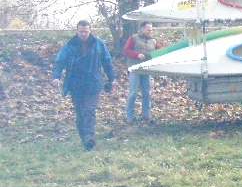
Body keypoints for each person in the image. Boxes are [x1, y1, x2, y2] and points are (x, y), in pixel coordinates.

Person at [51, 20, 115, 150]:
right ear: (77, 31)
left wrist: (112, 77)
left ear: (90, 30)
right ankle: (84, 137)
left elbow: (107, 61)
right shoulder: (70, 45)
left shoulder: (99, 44)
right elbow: (60, 61)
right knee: (80, 112)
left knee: (89, 110)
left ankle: (89, 138)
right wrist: (56, 76)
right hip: (76, 83)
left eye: (86, 31)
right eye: (81, 31)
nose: (83, 34)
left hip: (93, 82)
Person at [123, 21, 160, 124]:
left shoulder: (153, 41)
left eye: (151, 30)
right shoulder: (133, 38)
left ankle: (146, 115)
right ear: (142, 29)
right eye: (148, 30)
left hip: (147, 69)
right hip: (135, 69)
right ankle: (130, 117)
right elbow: (126, 50)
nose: (150, 31)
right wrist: (137, 55)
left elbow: (160, 51)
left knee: (147, 93)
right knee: (133, 93)